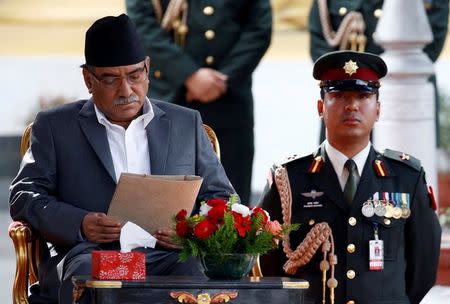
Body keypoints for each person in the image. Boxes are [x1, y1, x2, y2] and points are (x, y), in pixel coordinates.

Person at [9, 14, 235, 304]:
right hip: (93, 255)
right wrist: (80, 223)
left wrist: (189, 231)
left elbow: (221, 197)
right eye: (111, 79)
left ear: (148, 68)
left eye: (134, 75)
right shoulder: (56, 127)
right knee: (99, 279)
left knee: (197, 276)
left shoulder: (185, 124)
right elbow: (24, 195)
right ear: (89, 80)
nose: (126, 90)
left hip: (169, 255)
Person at [258, 50, 441, 304]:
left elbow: (423, 266)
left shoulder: (406, 177)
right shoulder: (289, 178)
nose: (352, 105)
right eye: (339, 96)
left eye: (363, 96)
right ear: (321, 107)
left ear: (377, 110)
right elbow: (265, 262)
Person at [126, 0, 272, 204]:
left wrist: (223, 79)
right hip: (171, 100)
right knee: (164, 205)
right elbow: (141, 25)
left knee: (232, 207)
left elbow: (259, 27)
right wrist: (188, 75)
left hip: (229, 102)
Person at [309, 0, 449, 143]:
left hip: (404, 97)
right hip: (344, 100)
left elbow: (431, 45)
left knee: (406, 158)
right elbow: (320, 48)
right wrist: (355, 86)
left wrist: (379, 84)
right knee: (336, 162)